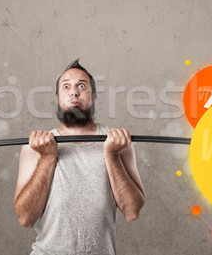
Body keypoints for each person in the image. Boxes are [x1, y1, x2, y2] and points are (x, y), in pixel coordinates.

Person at [13, 59, 145, 255]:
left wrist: (112, 155)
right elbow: (26, 218)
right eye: (66, 87)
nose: (74, 92)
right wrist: (47, 158)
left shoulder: (117, 144)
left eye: (81, 86)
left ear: (93, 95)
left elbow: (132, 211)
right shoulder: (37, 147)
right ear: (58, 97)